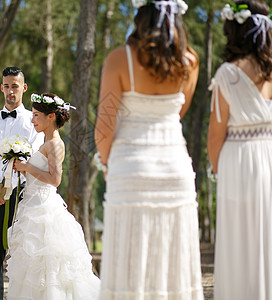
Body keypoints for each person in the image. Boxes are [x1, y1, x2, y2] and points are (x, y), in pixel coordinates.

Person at [95, 0, 203, 298]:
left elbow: (104, 128)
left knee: (130, 265)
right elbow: (176, 114)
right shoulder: (190, 62)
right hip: (175, 167)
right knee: (171, 266)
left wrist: (108, 166)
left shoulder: (119, 59)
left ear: (140, 16)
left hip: (130, 169)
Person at [207, 1, 272, 299]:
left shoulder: (228, 74)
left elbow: (215, 137)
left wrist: (221, 173)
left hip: (241, 161)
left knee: (242, 242)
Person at [8, 93, 100, 299]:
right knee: (31, 264)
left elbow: (55, 179)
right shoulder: (44, 142)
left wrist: (27, 167)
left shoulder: (56, 144)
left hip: (45, 207)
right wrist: (22, 169)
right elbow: (38, 175)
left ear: (51, 117)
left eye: (36, 115)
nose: (32, 120)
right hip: (32, 203)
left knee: (49, 263)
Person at [0, 67, 43, 300]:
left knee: (23, 254)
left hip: (22, 196)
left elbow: (34, 158)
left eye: (15, 86)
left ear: (23, 88)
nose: (10, 90)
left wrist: (9, 186)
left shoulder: (34, 123)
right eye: (6, 85)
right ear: (1, 87)